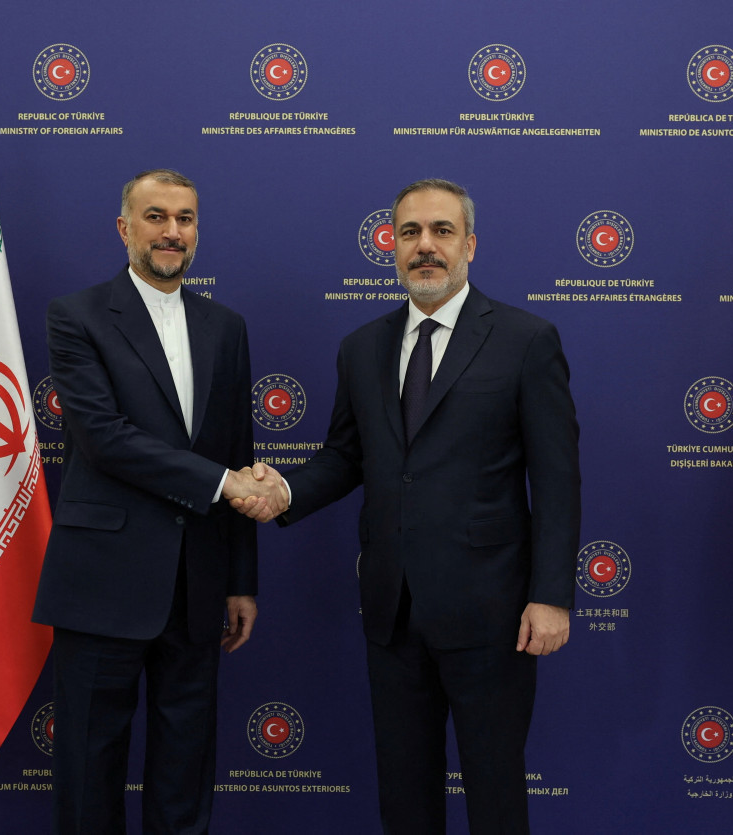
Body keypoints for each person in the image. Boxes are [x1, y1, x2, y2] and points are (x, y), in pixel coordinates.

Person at [240, 178, 581, 834]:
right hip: (392, 612)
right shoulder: (361, 347)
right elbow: (346, 457)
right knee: (404, 796)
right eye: (409, 233)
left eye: (442, 231)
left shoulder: (525, 339)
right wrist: (284, 491)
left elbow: (557, 479)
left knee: (495, 793)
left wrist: (552, 596)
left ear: (470, 245)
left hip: (493, 614)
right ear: (391, 246)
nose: (426, 245)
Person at [32, 169, 281, 834]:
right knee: (89, 772)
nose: (172, 231)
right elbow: (104, 438)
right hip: (102, 582)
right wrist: (225, 482)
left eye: (185, 218)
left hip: (198, 585)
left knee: (185, 776)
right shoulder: (76, 315)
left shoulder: (227, 327)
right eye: (156, 217)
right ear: (124, 228)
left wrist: (241, 580)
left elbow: (238, 449)